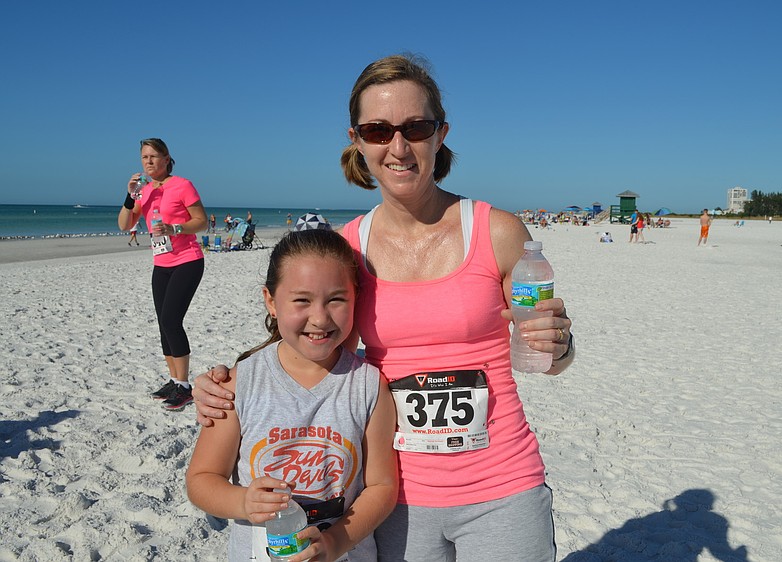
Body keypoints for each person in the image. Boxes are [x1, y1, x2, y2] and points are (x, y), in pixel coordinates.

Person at [194, 54, 574, 561]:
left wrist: (561, 344)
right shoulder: (348, 249)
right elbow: (314, 342)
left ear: (441, 134)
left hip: (502, 481)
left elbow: (547, 356)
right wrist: (228, 382)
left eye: (415, 128)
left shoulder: (497, 232)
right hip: (395, 497)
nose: (399, 147)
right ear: (357, 140)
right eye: (378, 130)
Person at [186, 228, 398, 561]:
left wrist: (334, 543)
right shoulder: (239, 384)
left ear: (356, 297)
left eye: (336, 299)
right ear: (271, 301)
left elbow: (382, 488)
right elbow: (201, 479)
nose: (320, 318)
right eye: (302, 300)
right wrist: (242, 502)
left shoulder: (369, 386)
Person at [117, 138, 207, 411]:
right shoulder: (143, 191)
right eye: (144, 157)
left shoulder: (182, 185)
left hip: (188, 260)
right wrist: (130, 195)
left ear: (167, 159)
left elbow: (201, 221)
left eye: (154, 156)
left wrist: (175, 228)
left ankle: (184, 386)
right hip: (162, 263)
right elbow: (124, 225)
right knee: (162, 323)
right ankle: (172, 379)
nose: (148, 162)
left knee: (171, 320)